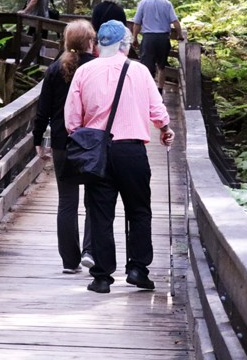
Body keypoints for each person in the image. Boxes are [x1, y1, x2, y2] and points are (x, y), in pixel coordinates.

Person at [65, 20, 175, 294]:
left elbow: (71, 120)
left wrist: (85, 138)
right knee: (138, 211)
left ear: (98, 43)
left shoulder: (84, 72)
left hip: (97, 152)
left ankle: (102, 277)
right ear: (125, 45)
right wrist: (165, 129)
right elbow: (157, 109)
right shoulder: (139, 71)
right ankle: (138, 269)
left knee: (101, 214)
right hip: (131, 150)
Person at [32, 20, 97, 274]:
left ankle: (70, 262)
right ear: (91, 41)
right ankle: (90, 251)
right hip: (92, 143)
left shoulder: (55, 69)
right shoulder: (97, 68)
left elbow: (43, 109)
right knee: (95, 199)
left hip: (62, 143)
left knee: (67, 202)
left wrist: (38, 140)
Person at [131, 0, 183, 92]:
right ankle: (159, 90)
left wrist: (134, 37)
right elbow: (175, 21)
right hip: (163, 38)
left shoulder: (143, 3)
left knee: (146, 65)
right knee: (162, 65)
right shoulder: (167, 4)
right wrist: (179, 35)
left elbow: (137, 23)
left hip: (149, 38)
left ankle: (147, 90)